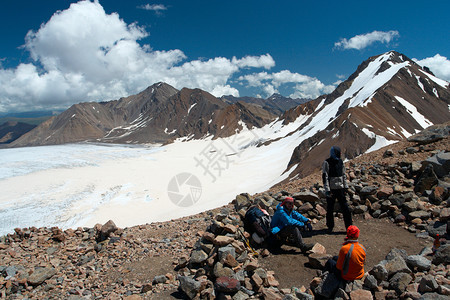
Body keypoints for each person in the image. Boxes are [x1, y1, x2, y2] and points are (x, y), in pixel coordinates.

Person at [322, 146, 352, 232]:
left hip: (340, 188)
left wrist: (345, 186)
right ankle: (330, 226)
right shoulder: (326, 162)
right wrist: (327, 189)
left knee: (345, 208)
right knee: (330, 208)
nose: (340, 153)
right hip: (331, 189)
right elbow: (325, 176)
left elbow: (344, 175)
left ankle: (349, 227)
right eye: (339, 152)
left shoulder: (340, 161)